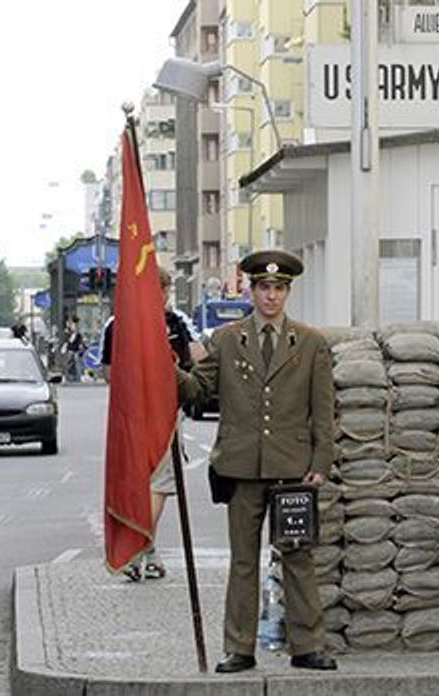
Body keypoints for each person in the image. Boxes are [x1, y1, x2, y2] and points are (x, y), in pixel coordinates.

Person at [175, 250, 337, 673]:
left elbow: (323, 409)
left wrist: (321, 459)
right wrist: (163, 363)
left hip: (292, 468)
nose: (271, 296)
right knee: (243, 561)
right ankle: (239, 647)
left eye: (279, 288)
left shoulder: (310, 341)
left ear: (287, 292)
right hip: (241, 467)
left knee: (298, 558)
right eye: (264, 287)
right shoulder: (226, 340)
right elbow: (197, 391)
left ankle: (308, 646)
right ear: (250, 289)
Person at [101, 268, 197, 581]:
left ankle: (148, 549)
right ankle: (137, 550)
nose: (165, 298)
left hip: (128, 417)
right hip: (162, 414)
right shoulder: (172, 323)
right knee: (158, 483)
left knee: (137, 483)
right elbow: (193, 361)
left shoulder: (116, 324)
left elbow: (108, 372)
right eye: (164, 291)